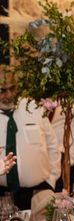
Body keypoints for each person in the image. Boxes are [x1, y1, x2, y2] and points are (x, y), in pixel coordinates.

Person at [0, 66, 60, 210]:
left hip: (38, 192)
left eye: (12, 88)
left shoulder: (33, 108)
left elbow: (53, 146)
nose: (8, 95)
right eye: (2, 90)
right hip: (2, 194)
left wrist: (51, 180)